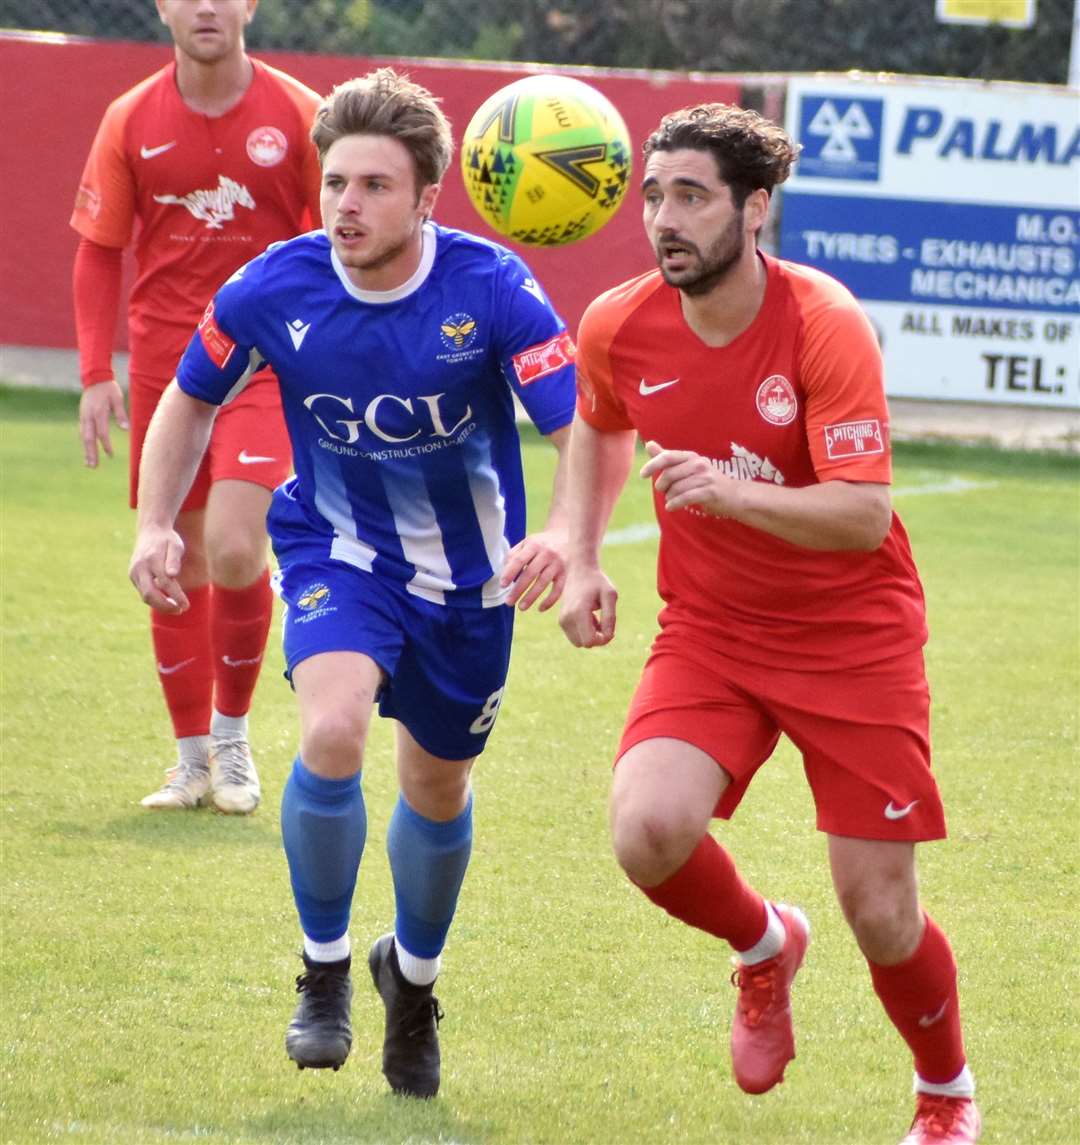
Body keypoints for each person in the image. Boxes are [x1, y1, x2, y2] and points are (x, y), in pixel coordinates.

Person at [128, 68, 575, 1098]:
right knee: (331, 732)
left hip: (469, 585)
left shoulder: (492, 287)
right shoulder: (275, 287)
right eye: (336, 181)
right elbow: (189, 402)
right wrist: (157, 522)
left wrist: (565, 531)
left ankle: (410, 986)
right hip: (338, 553)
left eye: (375, 185)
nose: (347, 205)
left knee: (435, 783)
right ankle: (324, 968)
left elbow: (576, 422)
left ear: (428, 197)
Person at [558, 103, 980, 1145]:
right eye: (655, 195)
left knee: (880, 909)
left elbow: (863, 512)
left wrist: (731, 493)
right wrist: (576, 550)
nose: (665, 218)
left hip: (854, 635)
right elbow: (598, 424)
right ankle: (761, 944)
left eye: (691, 196)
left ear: (755, 208)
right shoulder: (618, 320)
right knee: (648, 830)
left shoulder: (821, 319)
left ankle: (945, 1090)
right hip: (710, 628)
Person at [71, 0, 323, 813]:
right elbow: (99, 249)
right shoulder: (129, 118)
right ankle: (188, 762)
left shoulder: (299, 115)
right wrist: (92, 371)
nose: (206, 5)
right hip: (167, 371)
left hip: (263, 361)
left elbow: (337, 242)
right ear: (161, 6)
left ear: (250, 5)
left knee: (237, 545)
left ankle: (233, 740)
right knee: (173, 556)